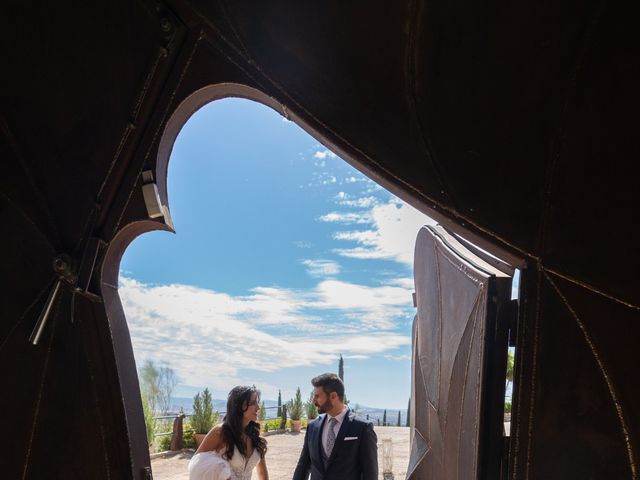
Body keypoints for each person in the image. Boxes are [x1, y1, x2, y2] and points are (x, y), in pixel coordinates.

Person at [293, 373, 378, 480]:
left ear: (333, 396)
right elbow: (303, 465)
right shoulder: (313, 427)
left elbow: (370, 473)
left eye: (317, 396)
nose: (313, 401)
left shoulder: (362, 428)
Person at [189, 386, 269, 480]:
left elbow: (263, 474)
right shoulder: (220, 432)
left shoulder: (255, 435)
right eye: (253, 403)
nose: (258, 407)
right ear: (239, 406)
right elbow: (197, 463)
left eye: (257, 402)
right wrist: (221, 471)